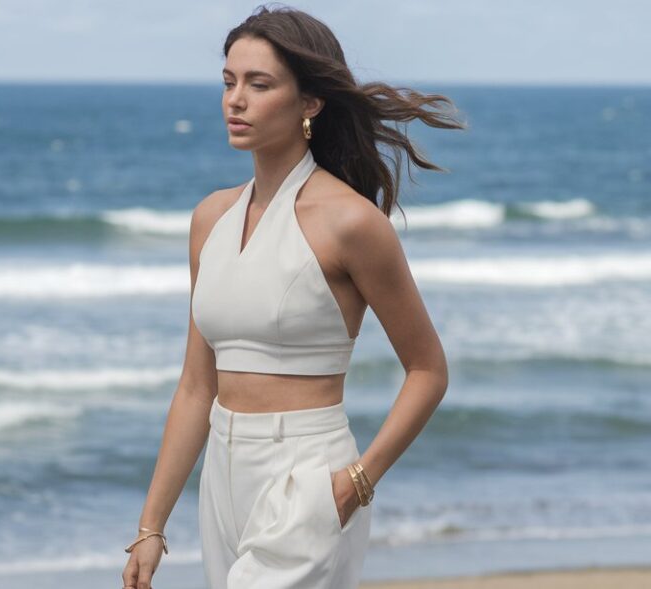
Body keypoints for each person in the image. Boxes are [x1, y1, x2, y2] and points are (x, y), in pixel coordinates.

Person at [122, 4, 465, 589]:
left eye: (259, 85)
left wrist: (357, 482)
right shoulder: (210, 219)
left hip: (308, 475)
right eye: (229, 82)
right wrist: (151, 526)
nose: (236, 101)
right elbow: (197, 385)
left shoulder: (350, 223)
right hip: (221, 480)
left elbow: (428, 370)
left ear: (310, 102)